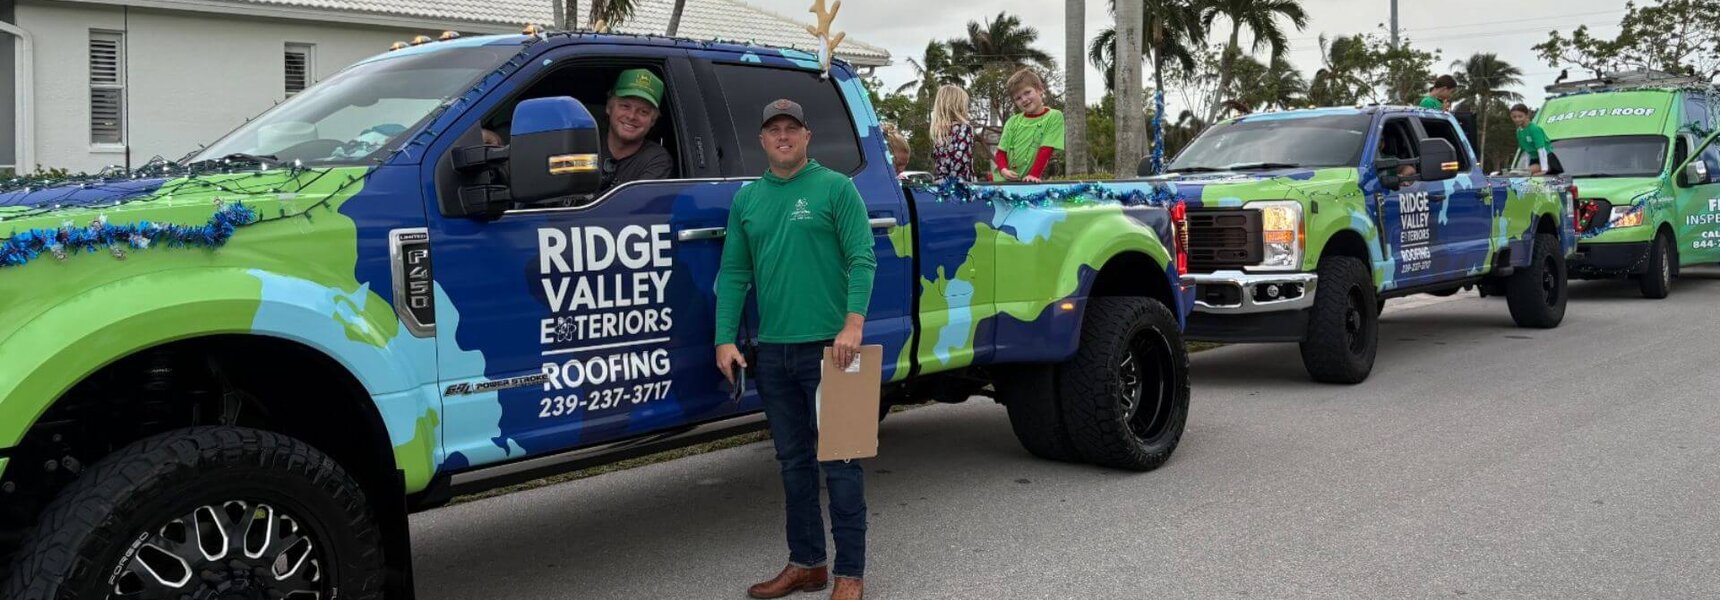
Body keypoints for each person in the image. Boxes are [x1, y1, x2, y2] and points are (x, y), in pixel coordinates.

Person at [715, 98, 876, 600]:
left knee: (842, 464)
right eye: (773, 130)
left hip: (835, 351)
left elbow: (863, 257)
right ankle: (807, 564)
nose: (782, 136)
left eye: (791, 128)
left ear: (807, 136)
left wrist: (853, 324)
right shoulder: (748, 200)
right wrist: (724, 338)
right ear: (762, 140)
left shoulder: (836, 188)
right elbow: (735, 272)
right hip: (774, 353)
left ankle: (849, 574)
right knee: (793, 464)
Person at [598, 68, 674, 192]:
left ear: (653, 120)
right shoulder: (585, 146)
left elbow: (637, 202)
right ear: (609, 108)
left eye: (643, 112)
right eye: (625, 106)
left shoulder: (657, 160)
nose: (632, 116)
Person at [992, 68, 1064, 183]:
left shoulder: (1054, 116)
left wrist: (1033, 175)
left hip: (1030, 181)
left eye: (1027, 92)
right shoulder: (1012, 121)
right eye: (1018, 98)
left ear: (1040, 89)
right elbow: (1001, 152)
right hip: (1003, 182)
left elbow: (1046, 149)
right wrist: (1003, 170)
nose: (1024, 99)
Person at [929, 84, 977, 182]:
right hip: (960, 184)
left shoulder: (940, 133)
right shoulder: (964, 128)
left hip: (941, 184)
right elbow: (960, 161)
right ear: (958, 106)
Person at [1511, 103, 1559, 176]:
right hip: (1534, 160)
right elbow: (1526, 151)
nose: (1517, 119)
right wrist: (1526, 168)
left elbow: (1541, 149)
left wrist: (1544, 170)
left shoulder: (1534, 129)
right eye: (1514, 117)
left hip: (1546, 159)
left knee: (1523, 173)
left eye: (1520, 116)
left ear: (1527, 115)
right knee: (1516, 173)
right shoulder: (1519, 132)